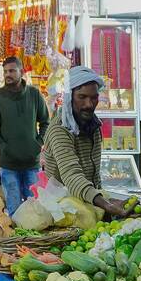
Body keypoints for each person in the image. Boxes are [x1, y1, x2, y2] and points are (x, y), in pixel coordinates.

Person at [43, 66, 126, 221]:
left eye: (93, 97)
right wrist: (106, 205)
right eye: (82, 97)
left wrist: (105, 202)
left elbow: (94, 176)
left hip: (87, 207)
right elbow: (72, 177)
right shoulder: (60, 129)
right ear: (69, 97)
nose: (89, 104)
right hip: (62, 213)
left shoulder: (93, 126)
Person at [0, 55, 49, 216]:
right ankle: (15, 241)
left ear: (21, 71)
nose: (8, 74)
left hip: (31, 163)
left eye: (12, 71)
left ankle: (32, 241)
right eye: (5, 71)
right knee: (14, 209)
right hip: (9, 164)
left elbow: (46, 122)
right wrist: (3, 146)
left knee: (35, 209)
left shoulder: (34, 94)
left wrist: (38, 142)